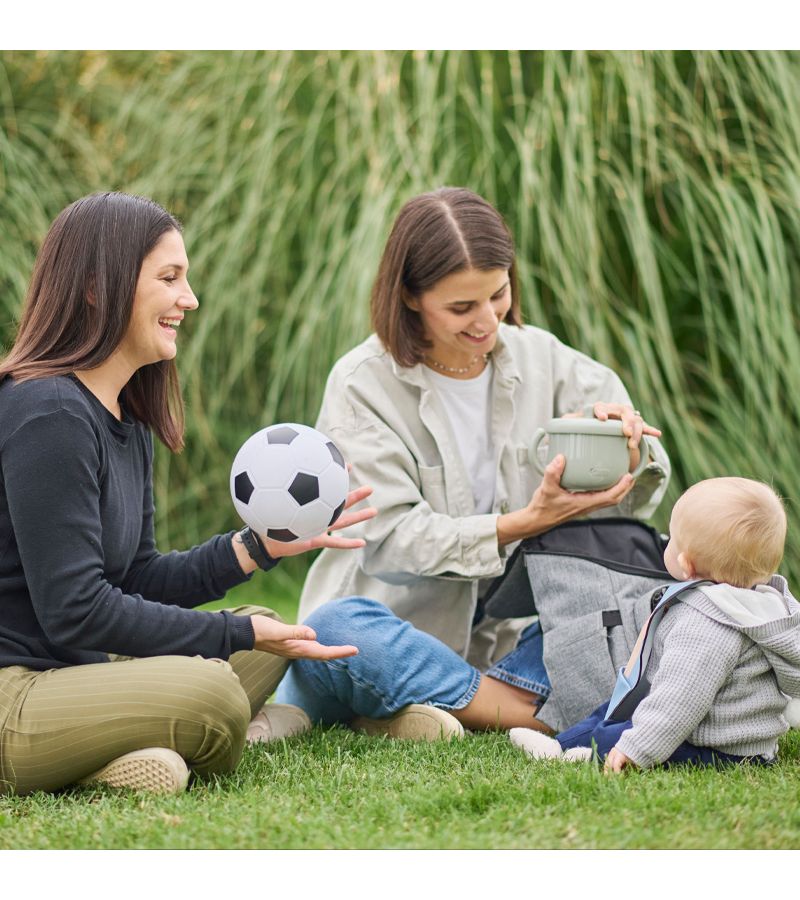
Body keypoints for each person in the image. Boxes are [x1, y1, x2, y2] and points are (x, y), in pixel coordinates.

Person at [0, 192, 376, 796]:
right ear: (97, 287)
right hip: (15, 692)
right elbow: (75, 608)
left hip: (79, 668)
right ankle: (131, 750)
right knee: (214, 689)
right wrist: (229, 636)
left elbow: (136, 577)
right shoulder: (48, 412)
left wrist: (256, 549)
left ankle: (128, 749)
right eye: (169, 278)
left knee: (269, 632)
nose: (190, 298)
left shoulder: (123, 417)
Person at [276, 187, 670, 737]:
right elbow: (392, 540)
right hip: (397, 628)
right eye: (461, 308)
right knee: (337, 628)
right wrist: (522, 523)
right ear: (410, 297)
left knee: (648, 605)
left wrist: (624, 448)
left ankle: (426, 704)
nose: (487, 321)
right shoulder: (361, 384)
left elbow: (637, 490)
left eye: (498, 294)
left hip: (508, 642)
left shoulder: (544, 357)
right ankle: (521, 711)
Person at [509, 477, 800, 771]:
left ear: (686, 564)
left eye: (672, 539)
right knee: (612, 710)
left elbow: (681, 701)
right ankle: (559, 745)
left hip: (719, 748)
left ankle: (590, 755)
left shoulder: (708, 625)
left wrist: (638, 749)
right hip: (730, 737)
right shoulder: (760, 607)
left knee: (621, 732)